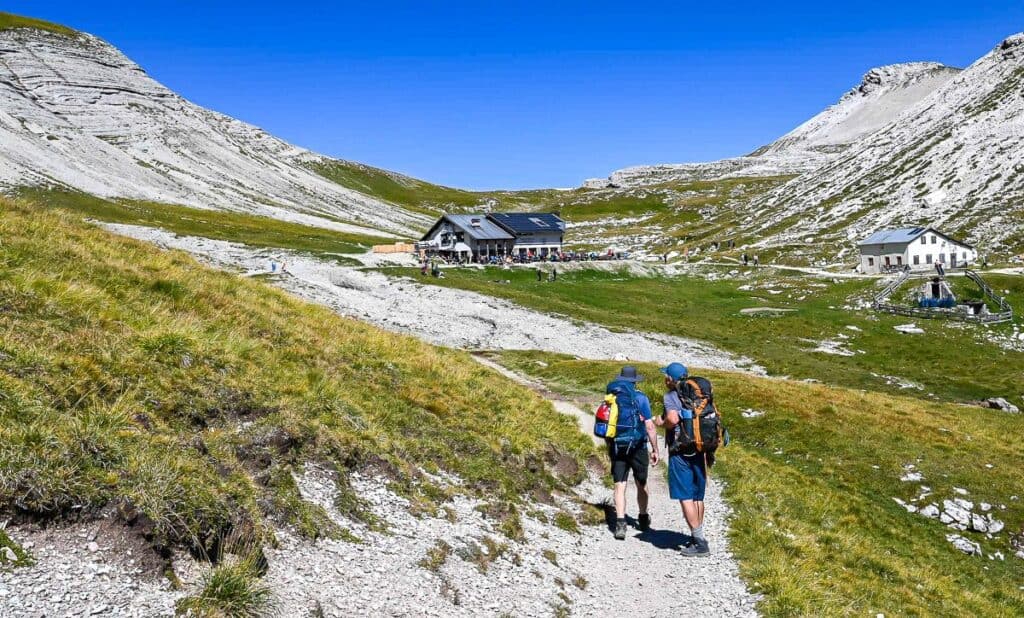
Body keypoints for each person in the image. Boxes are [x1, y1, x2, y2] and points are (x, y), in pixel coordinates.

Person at [660, 362, 710, 557]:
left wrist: (661, 422)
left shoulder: (671, 396)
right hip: (700, 448)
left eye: (667, 376)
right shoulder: (699, 396)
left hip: (680, 450)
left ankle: (699, 543)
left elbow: (672, 420)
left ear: (671, 379)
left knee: (685, 495)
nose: (665, 379)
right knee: (697, 495)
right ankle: (698, 534)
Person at [604, 366, 659, 540]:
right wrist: (655, 449)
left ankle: (620, 524)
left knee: (619, 485)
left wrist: (609, 445)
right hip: (637, 446)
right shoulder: (641, 398)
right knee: (641, 482)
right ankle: (643, 517)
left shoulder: (612, 398)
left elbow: (607, 424)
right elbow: (649, 425)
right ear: (635, 382)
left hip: (617, 446)